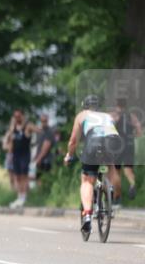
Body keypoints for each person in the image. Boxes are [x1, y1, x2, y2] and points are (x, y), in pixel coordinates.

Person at [64, 95, 122, 235]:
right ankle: (112, 194)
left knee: (87, 180)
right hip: (114, 141)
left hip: (93, 142)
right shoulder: (107, 115)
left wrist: (69, 156)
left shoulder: (82, 115)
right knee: (111, 167)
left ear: (85, 106)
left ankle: (88, 214)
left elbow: (73, 141)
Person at [3, 110, 35, 209]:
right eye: (15, 117)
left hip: (24, 155)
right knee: (17, 177)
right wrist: (11, 130)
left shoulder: (27, 126)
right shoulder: (12, 130)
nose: (17, 119)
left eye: (19, 116)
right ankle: (19, 197)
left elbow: (37, 130)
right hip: (15, 156)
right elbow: (6, 145)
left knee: (24, 176)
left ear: (22, 116)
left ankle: (23, 198)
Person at [113, 98, 142, 202]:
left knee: (116, 171)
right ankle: (132, 184)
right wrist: (132, 135)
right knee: (128, 169)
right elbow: (139, 131)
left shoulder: (115, 116)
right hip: (129, 144)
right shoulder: (131, 116)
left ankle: (117, 197)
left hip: (117, 145)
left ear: (117, 105)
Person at [32, 113, 56, 180]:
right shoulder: (40, 132)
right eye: (42, 121)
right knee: (38, 179)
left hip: (46, 160)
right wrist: (35, 157)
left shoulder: (49, 132)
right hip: (39, 160)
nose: (43, 122)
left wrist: (38, 159)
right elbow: (38, 146)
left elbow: (45, 148)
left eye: (45, 121)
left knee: (43, 179)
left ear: (47, 121)